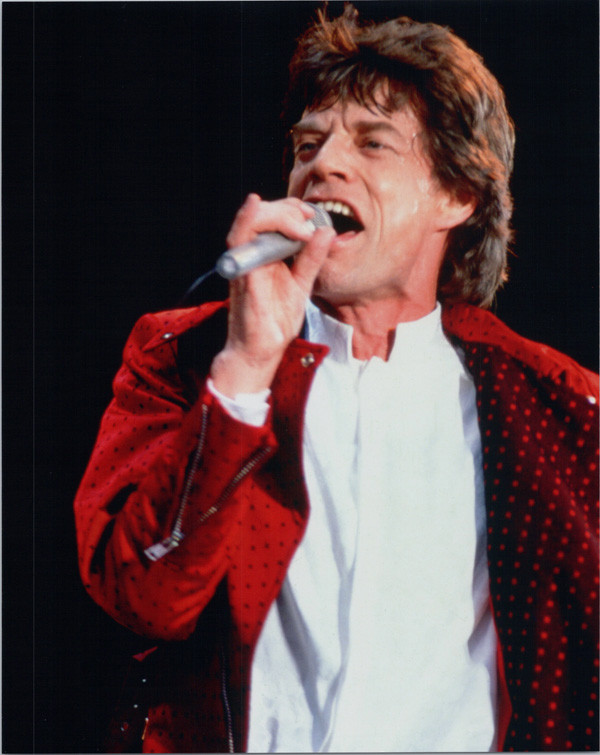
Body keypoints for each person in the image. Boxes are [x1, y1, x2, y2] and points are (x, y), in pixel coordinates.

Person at [74, 6, 599, 752]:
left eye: (372, 142)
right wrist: (244, 371)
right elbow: (143, 598)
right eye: (308, 144)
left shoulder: (560, 408)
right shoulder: (183, 357)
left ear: (457, 195)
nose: (322, 165)